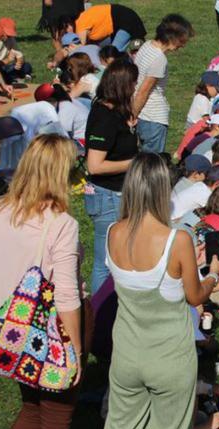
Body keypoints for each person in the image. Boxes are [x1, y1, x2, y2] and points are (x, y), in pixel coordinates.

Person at [95, 153, 219, 429]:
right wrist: (213, 273)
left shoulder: (112, 233)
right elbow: (195, 296)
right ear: (161, 190)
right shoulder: (176, 240)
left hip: (127, 356)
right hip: (169, 358)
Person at [0, 135, 82, 429]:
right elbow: (67, 295)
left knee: (30, 409)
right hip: (45, 332)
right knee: (57, 417)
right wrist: (74, 350)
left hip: (7, 332)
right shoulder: (61, 224)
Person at [84, 58, 140, 294]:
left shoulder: (111, 110)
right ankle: (97, 314)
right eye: (133, 83)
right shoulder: (104, 119)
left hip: (117, 194)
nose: (135, 87)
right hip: (107, 197)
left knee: (118, 256)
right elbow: (94, 166)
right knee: (104, 262)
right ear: (122, 85)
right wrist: (133, 163)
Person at [134, 14, 194, 153]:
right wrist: (132, 116)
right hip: (153, 118)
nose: (183, 45)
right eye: (182, 40)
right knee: (152, 166)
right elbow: (144, 91)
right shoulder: (159, 59)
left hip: (143, 115)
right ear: (172, 37)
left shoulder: (146, 46)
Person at [68, 3, 146, 51]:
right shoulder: (80, 20)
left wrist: (74, 49)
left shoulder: (81, 26)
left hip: (126, 20)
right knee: (109, 52)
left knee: (113, 53)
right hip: (117, 23)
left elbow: (82, 48)